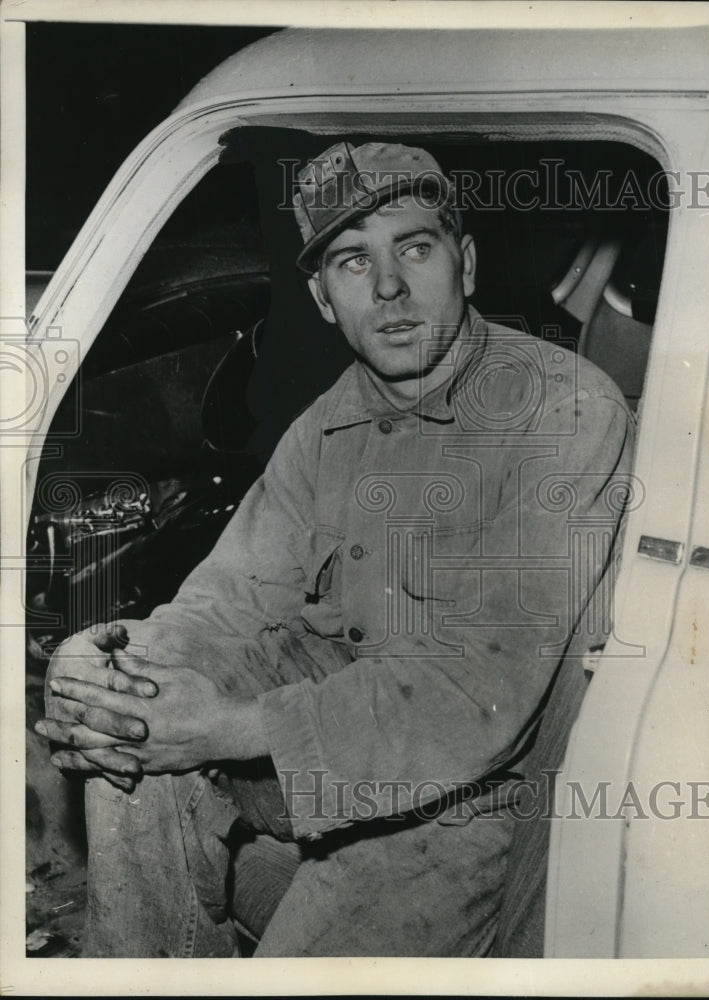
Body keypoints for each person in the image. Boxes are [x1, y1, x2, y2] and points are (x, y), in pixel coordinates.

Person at [38, 141, 635, 957]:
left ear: (463, 263)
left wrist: (225, 729)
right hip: (316, 758)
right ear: (322, 298)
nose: (387, 287)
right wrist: (109, 666)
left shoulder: (557, 411)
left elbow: (473, 697)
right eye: (353, 261)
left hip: (461, 809)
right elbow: (229, 598)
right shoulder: (326, 425)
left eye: (414, 248)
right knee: (128, 737)